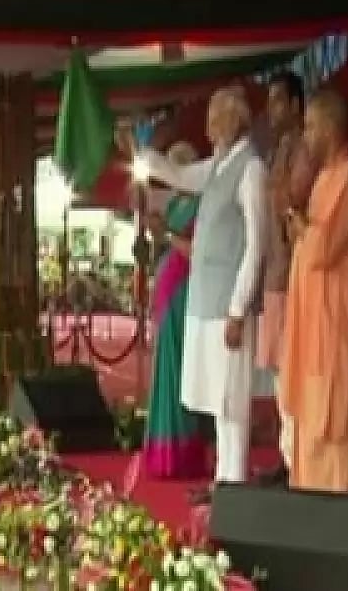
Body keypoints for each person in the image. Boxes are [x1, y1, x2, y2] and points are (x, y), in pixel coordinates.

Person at [119, 85, 266, 502]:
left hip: (228, 306)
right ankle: (224, 483)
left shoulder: (251, 169)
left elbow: (256, 243)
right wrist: (140, 155)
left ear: (233, 121)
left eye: (214, 118)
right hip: (206, 300)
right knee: (218, 400)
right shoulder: (220, 164)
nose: (208, 126)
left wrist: (239, 308)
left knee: (232, 402)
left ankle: (234, 488)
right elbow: (180, 175)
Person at [280, 89, 348, 493]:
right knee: (310, 422)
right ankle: (309, 503)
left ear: (328, 129)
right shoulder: (326, 178)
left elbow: (322, 247)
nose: (305, 137)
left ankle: (336, 514)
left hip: (334, 329)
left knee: (332, 425)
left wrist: (301, 225)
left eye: (310, 128)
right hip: (314, 325)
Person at [142, 141, 208, 479]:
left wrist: (166, 233)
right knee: (165, 370)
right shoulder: (178, 203)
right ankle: (164, 450)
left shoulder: (199, 205)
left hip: (182, 291)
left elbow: (194, 251)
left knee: (178, 370)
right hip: (168, 289)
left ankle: (180, 452)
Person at [253, 71, 306, 487]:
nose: (270, 110)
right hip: (274, 278)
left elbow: (297, 209)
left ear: (295, 106)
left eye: (277, 102)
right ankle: (288, 458)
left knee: (289, 375)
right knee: (278, 376)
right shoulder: (277, 152)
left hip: (290, 279)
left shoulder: (300, 152)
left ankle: (295, 463)